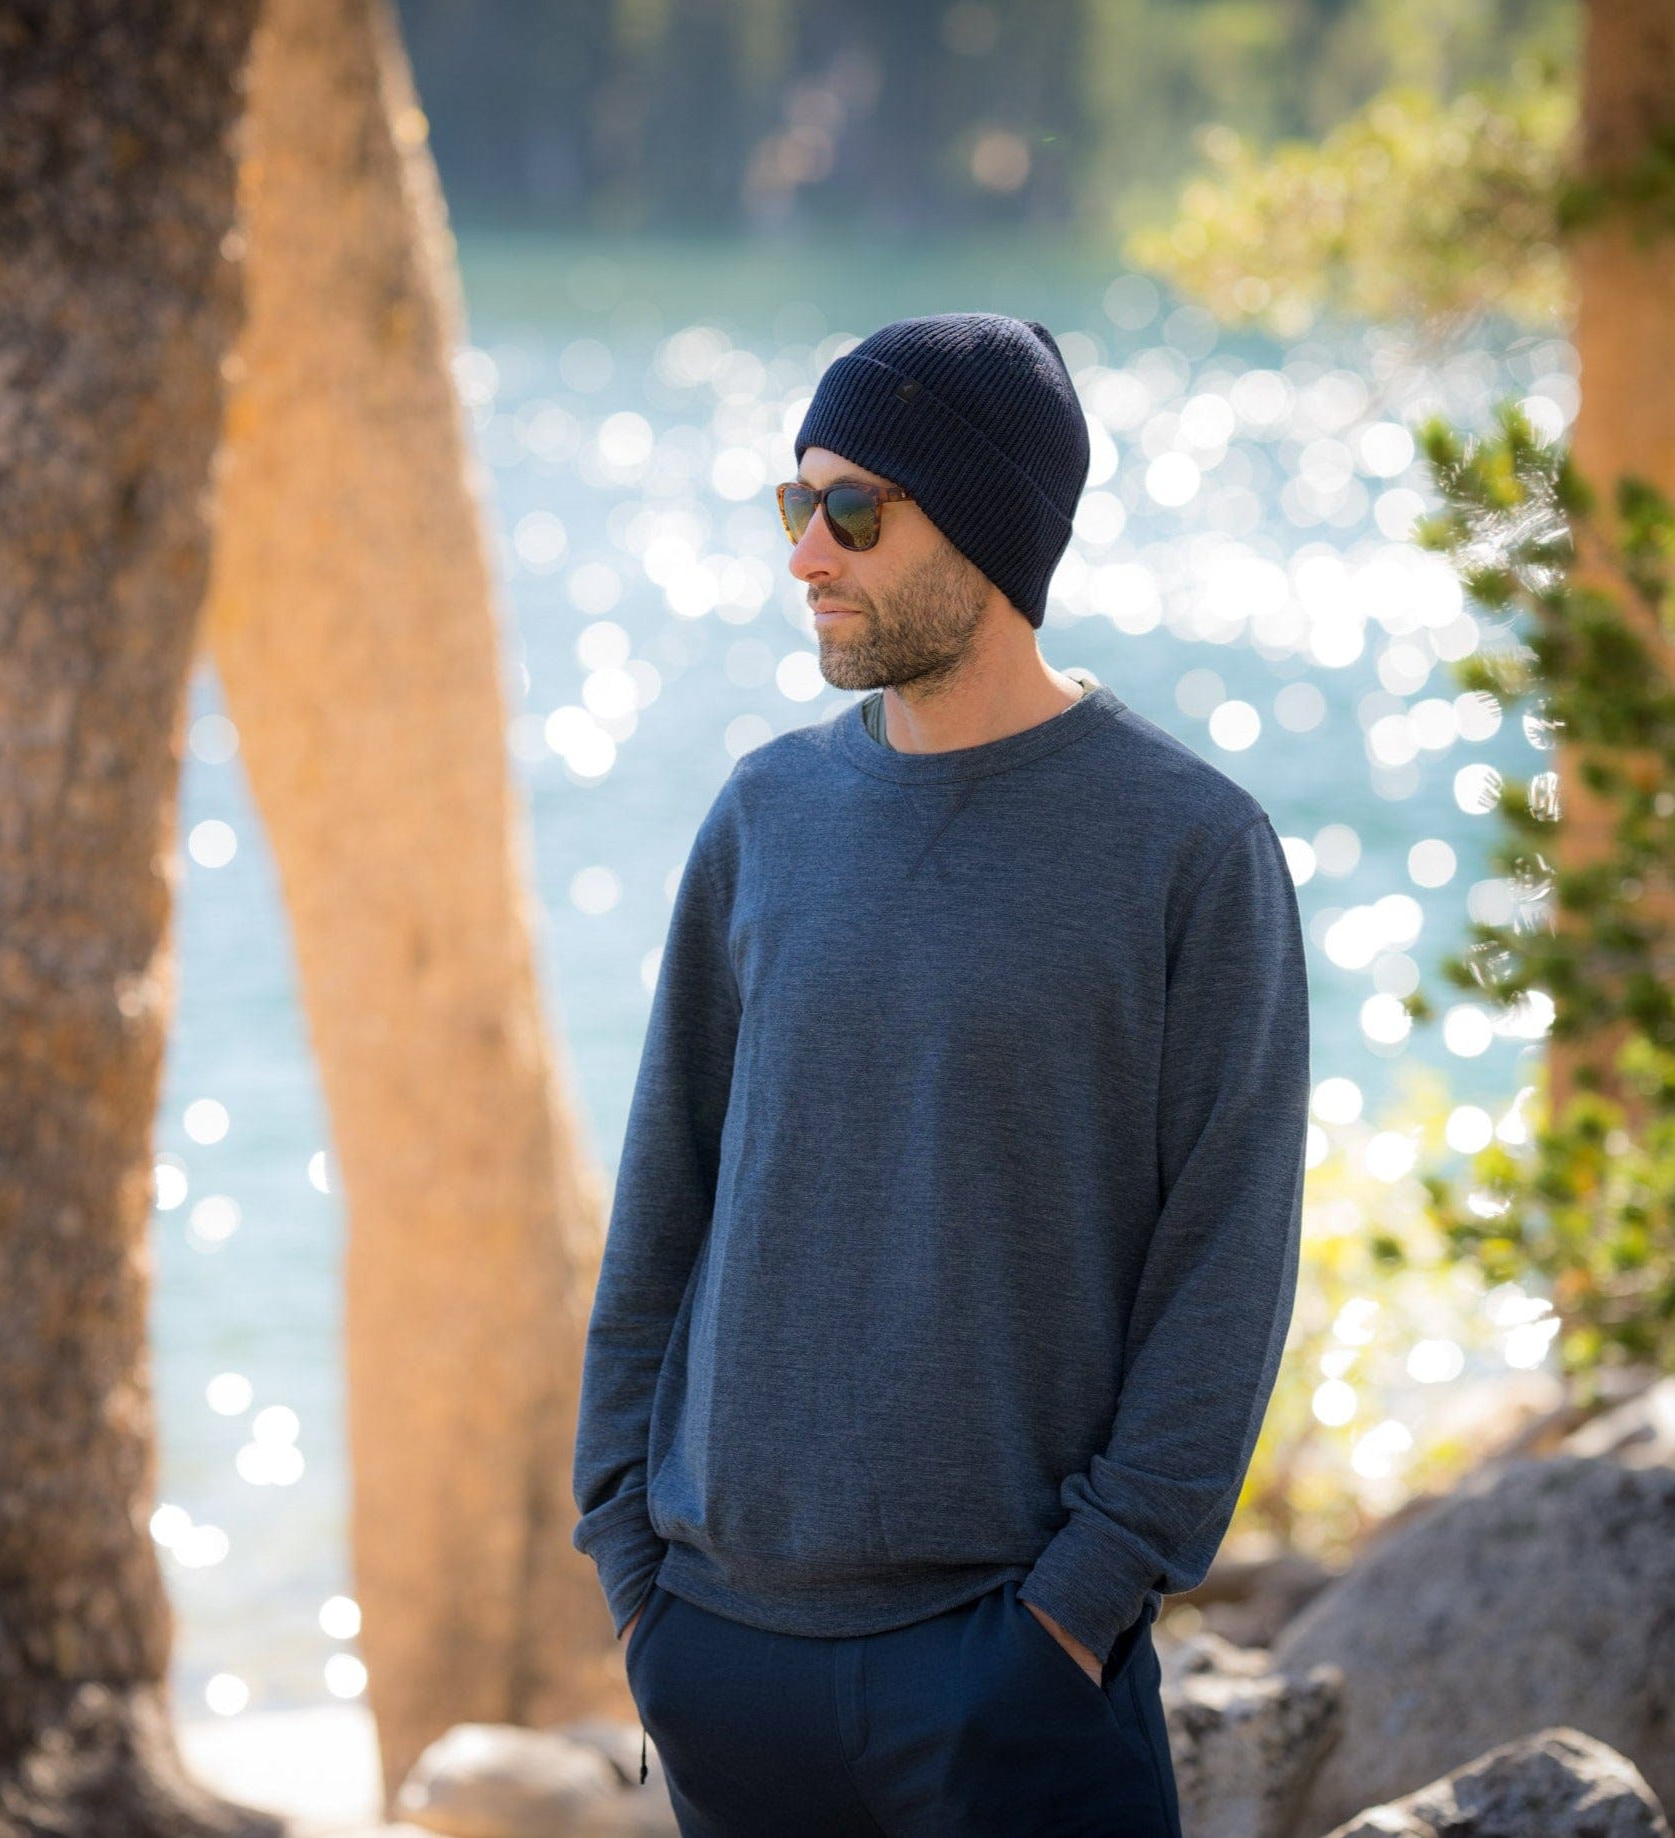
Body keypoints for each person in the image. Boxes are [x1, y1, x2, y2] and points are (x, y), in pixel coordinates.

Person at [571, 311, 1311, 1836]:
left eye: (852, 509)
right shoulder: (764, 814)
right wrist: (631, 1571)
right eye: (796, 505)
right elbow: (663, 1202)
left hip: (1010, 1674)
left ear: (984, 527)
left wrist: (1074, 1609)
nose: (806, 555)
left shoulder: (1188, 847)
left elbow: (1223, 1269)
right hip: (724, 1660)